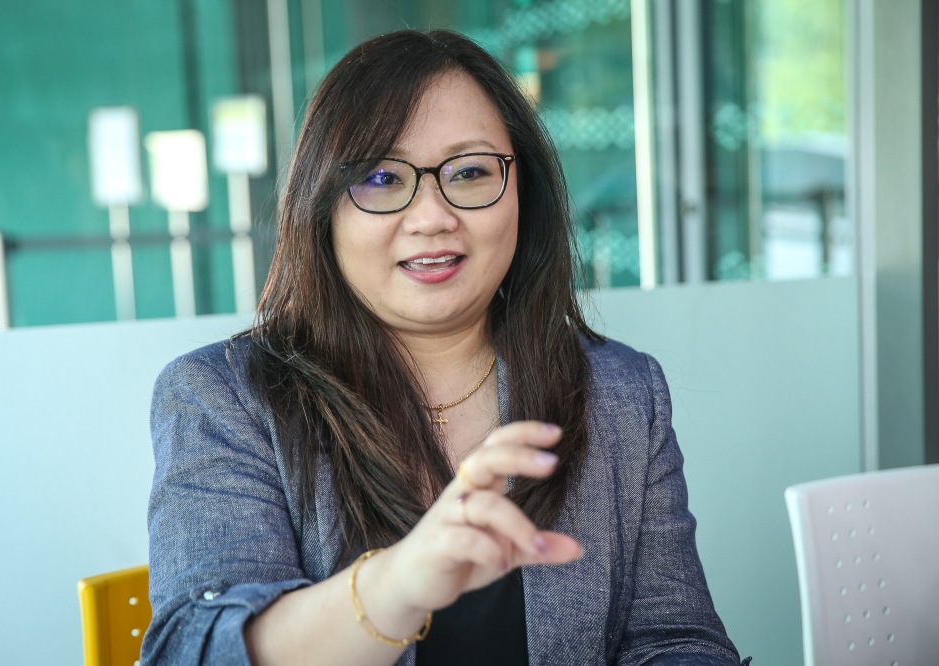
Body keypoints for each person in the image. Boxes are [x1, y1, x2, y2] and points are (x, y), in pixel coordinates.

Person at [142, 29, 745, 666]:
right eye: (380, 176)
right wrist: (398, 583)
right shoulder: (223, 397)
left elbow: (675, 642)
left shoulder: (620, 392)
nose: (432, 216)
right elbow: (194, 651)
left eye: (470, 171)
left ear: (524, 193)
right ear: (321, 206)